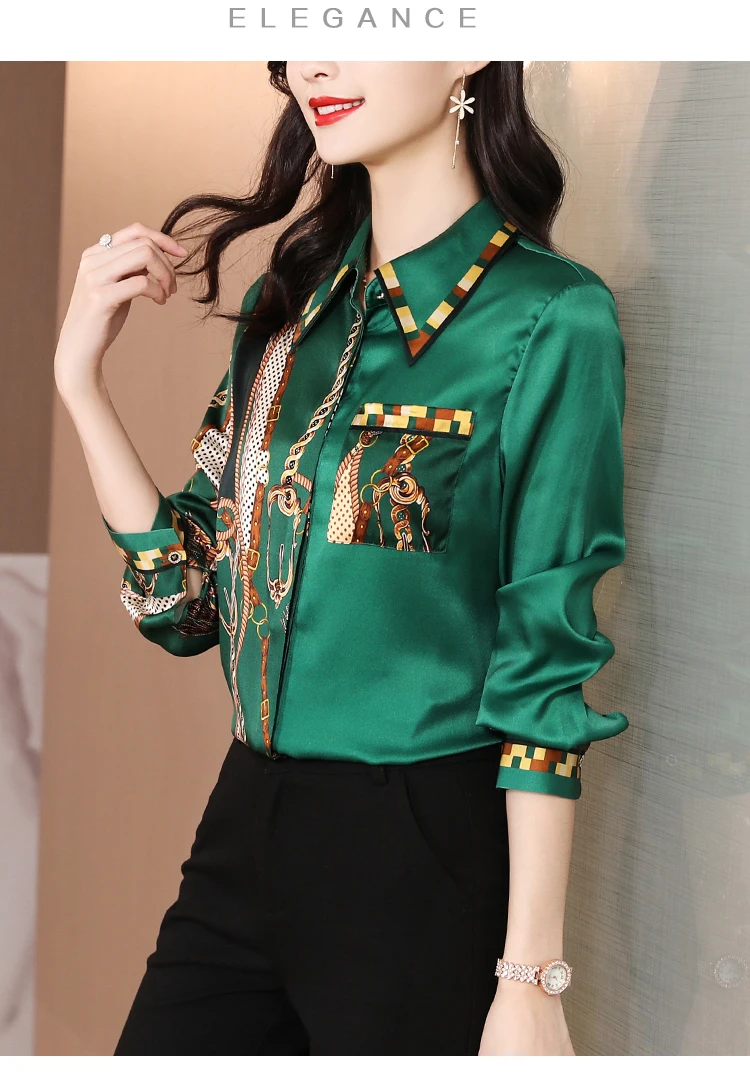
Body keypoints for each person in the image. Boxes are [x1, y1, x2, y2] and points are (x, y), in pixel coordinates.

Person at [54, 61, 628, 1056]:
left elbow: (545, 663)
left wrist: (531, 977)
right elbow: (185, 607)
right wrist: (80, 382)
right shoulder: (288, 311)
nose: (317, 57)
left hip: (419, 849)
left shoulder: (551, 317)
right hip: (245, 822)